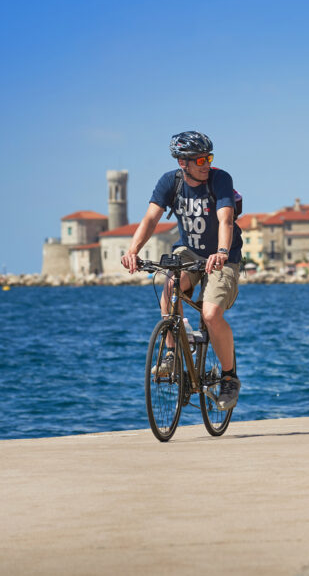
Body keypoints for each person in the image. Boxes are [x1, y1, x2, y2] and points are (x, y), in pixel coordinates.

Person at [121, 131, 244, 411]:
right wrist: (132, 251)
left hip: (224, 255)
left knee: (211, 315)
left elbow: (226, 219)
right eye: (200, 159)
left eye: (209, 157)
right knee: (168, 289)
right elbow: (151, 218)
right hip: (188, 251)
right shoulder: (170, 182)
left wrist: (222, 252)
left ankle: (229, 378)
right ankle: (172, 353)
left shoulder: (220, 179)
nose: (206, 164)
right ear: (183, 163)